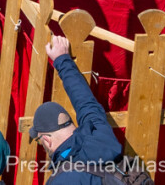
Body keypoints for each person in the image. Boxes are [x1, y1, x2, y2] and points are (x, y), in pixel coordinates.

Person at [29, 36, 126, 183]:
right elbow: (85, 102)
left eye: (39, 140)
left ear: (47, 141)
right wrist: (62, 59)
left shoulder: (62, 180)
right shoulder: (99, 133)